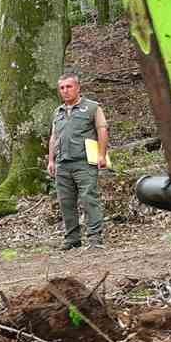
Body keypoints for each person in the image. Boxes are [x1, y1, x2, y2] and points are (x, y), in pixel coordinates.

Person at [48, 73, 110, 249]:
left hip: (84, 162)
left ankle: (95, 238)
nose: (65, 91)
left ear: (78, 87)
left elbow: (102, 130)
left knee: (89, 198)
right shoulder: (58, 112)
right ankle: (72, 239)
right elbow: (54, 137)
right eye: (62, 88)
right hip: (63, 163)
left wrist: (102, 155)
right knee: (65, 201)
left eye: (69, 87)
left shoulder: (91, 108)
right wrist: (51, 160)